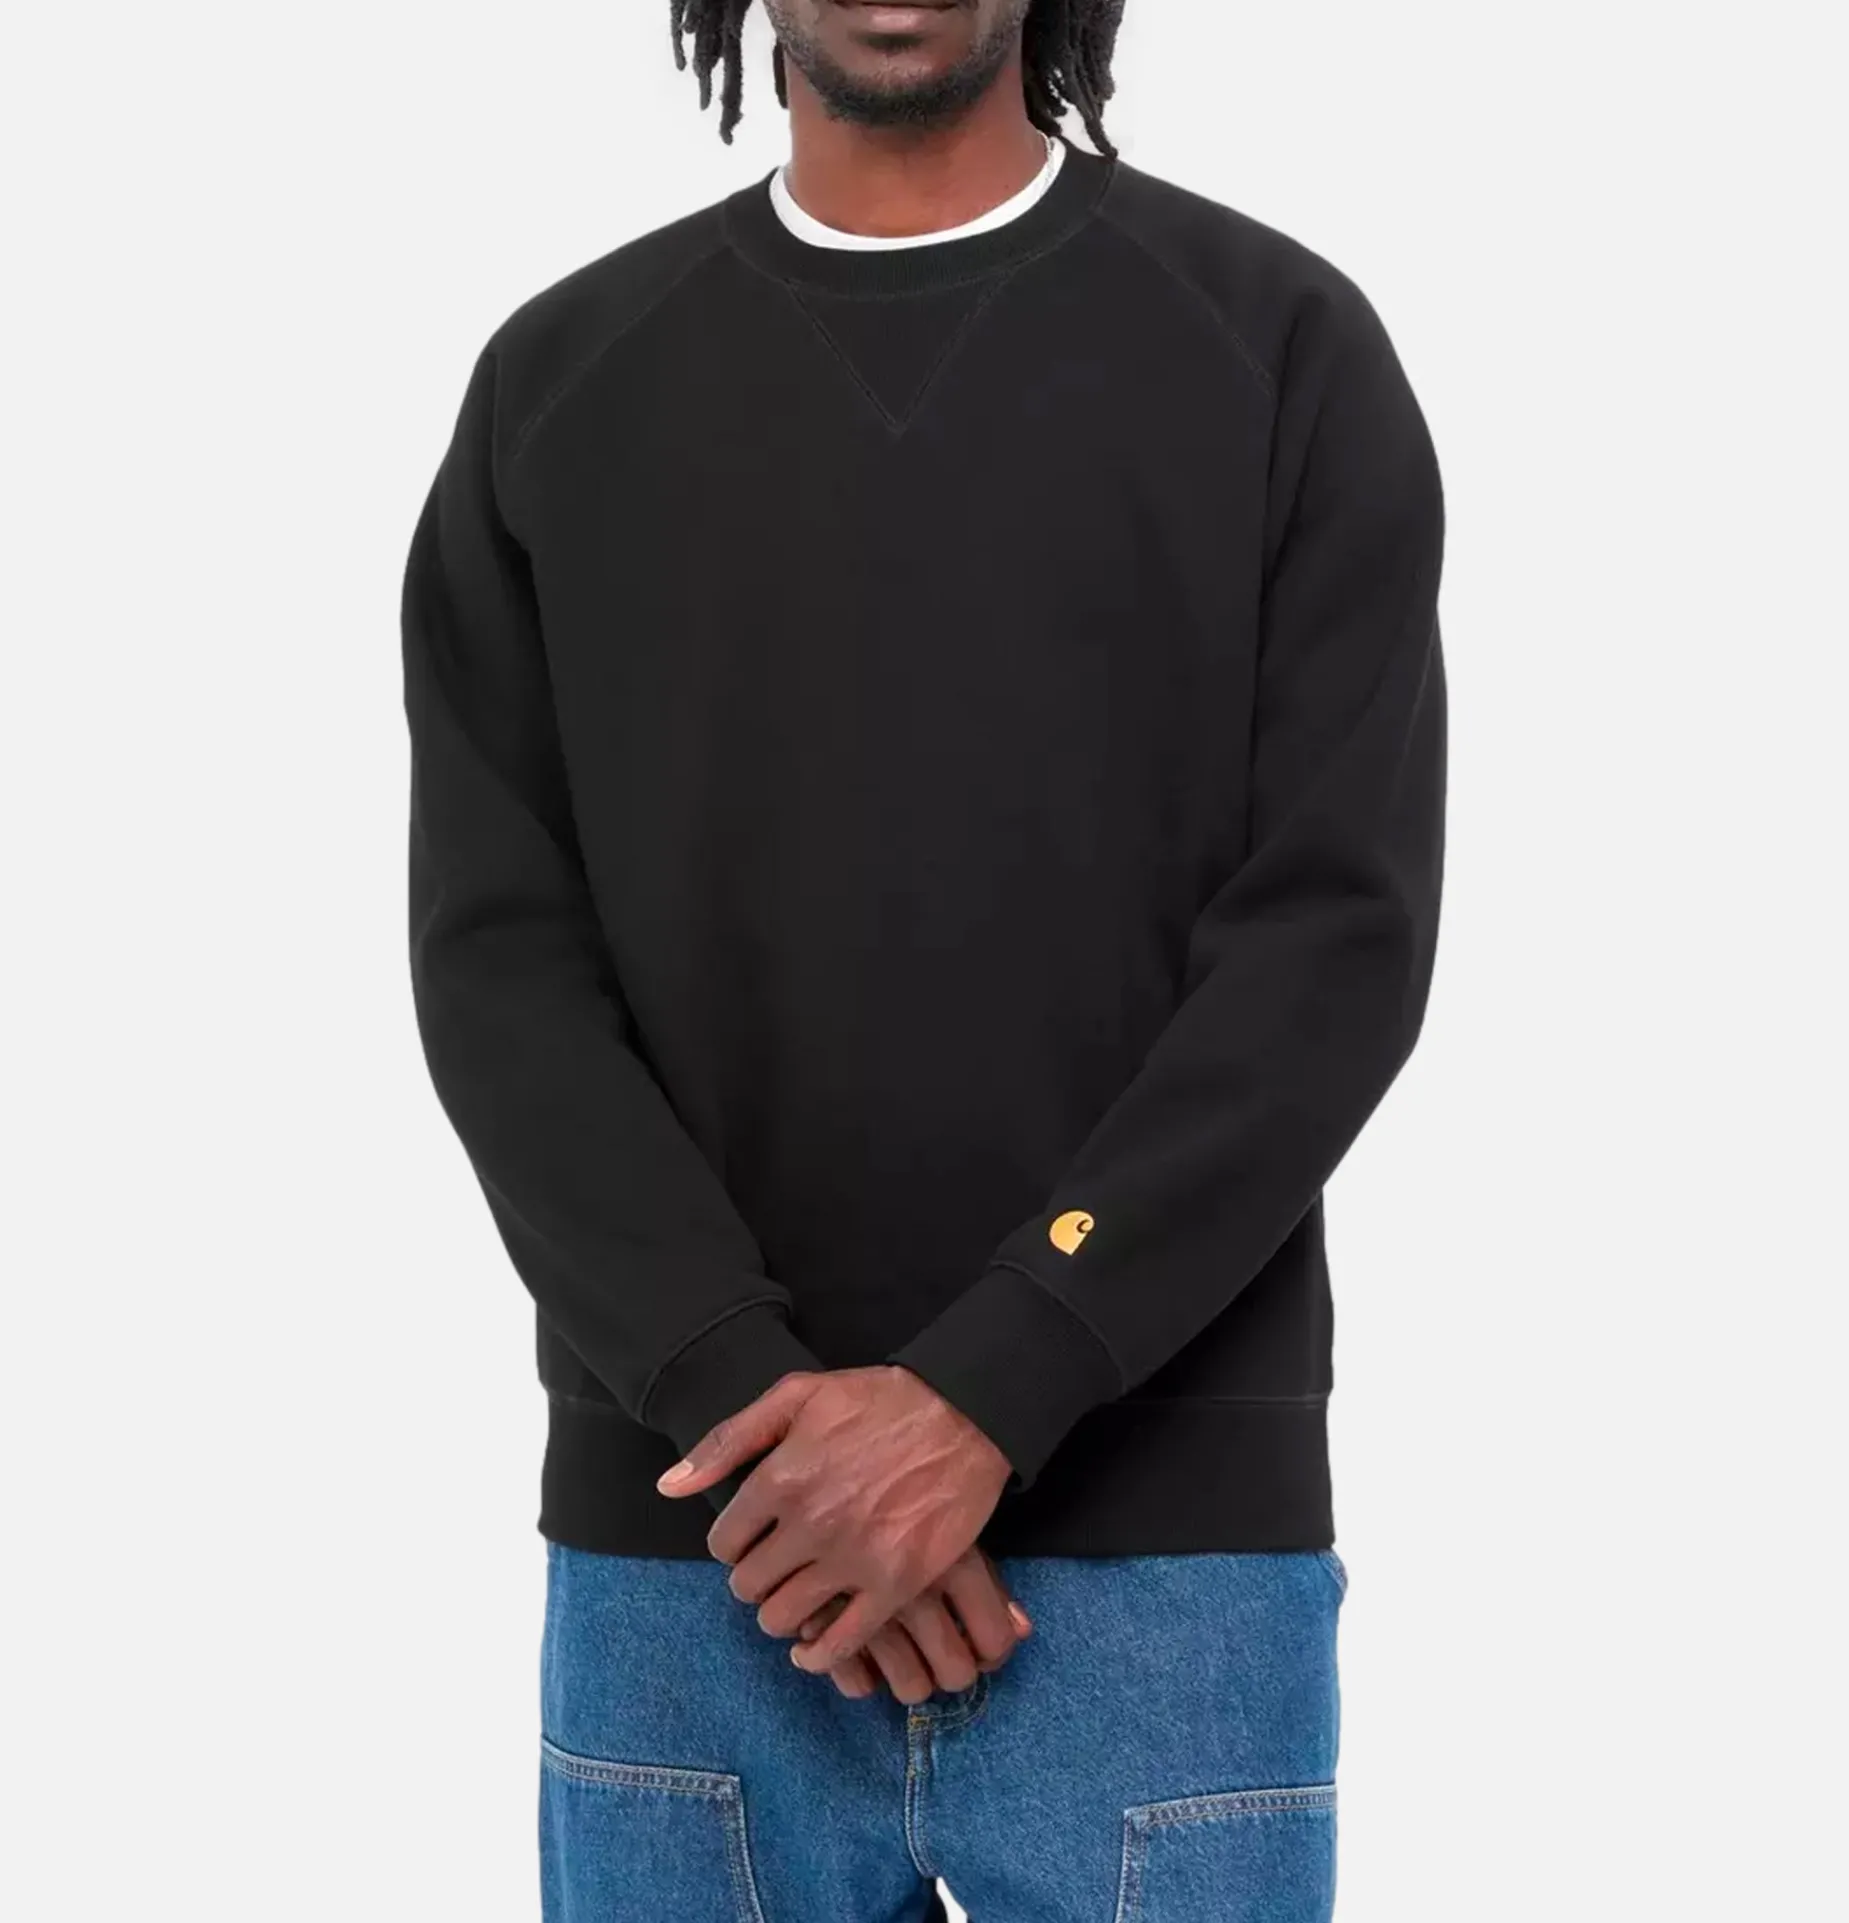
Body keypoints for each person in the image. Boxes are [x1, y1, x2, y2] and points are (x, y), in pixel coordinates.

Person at [401, 2, 1446, 1915]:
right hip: (700, 1555)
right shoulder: (562, 383)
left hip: (1159, 1559)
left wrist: (990, 1389)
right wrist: (750, 1412)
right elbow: (500, 965)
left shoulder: (1280, 347)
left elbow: (1334, 939)